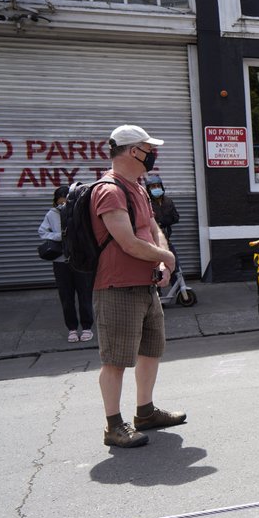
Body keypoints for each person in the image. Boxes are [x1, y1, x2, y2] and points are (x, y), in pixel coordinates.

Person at [93, 125, 184, 449]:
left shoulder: (138, 187)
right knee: (115, 360)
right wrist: (166, 257)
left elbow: (151, 227)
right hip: (118, 286)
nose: (152, 154)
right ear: (134, 151)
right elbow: (128, 242)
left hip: (146, 284)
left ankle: (145, 412)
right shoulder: (110, 190)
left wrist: (160, 260)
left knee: (150, 350)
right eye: (148, 149)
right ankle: (113, 426)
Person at [38, 185, 95, 343]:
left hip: (80, 260)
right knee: (66, 296)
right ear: (55, 202)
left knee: (85, 294)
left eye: (65, 202)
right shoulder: (52, 214)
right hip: (61, 262)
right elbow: (42, 232)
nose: (62, 205)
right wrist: (60, 236)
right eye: (59, 202)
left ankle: (86, 327)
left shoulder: (81, 213)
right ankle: (71, 328)